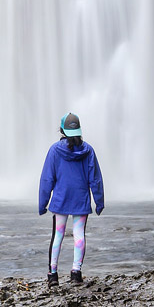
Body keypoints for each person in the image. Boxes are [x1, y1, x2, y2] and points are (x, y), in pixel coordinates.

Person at [38, 112, 104, 286]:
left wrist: (42, 203)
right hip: (81, 199)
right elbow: (95, 178)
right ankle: (76, 272)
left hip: (60, 200)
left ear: (62, 131)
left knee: (57, 236)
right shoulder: (88, 150)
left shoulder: (54, 150)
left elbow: (47, 178)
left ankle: (53, 275)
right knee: (79, 235)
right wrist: (99, 201)